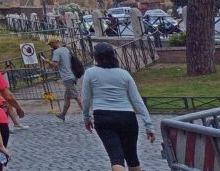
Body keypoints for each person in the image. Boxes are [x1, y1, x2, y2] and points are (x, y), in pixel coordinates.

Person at [83, 42, 156, 171]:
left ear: (96, 57)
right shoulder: (124, 74)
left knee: (116, 157)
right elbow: (137, 100)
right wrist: (148, 124)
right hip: (127, 116)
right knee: (132, 158)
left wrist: (86, 117)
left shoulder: (90, 73)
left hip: (103, 116)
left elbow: (86, 98)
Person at [48, 37, 83, 121]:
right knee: (67, 97)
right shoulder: (66, 49)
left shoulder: (56, 52)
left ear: (55, 43)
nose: (50, 46)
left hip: (67, 77)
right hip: (72, 75)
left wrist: (47, 61)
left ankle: (87, 114)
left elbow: (55, 65)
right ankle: (62, 114)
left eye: (51, 44)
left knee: (77, 97)